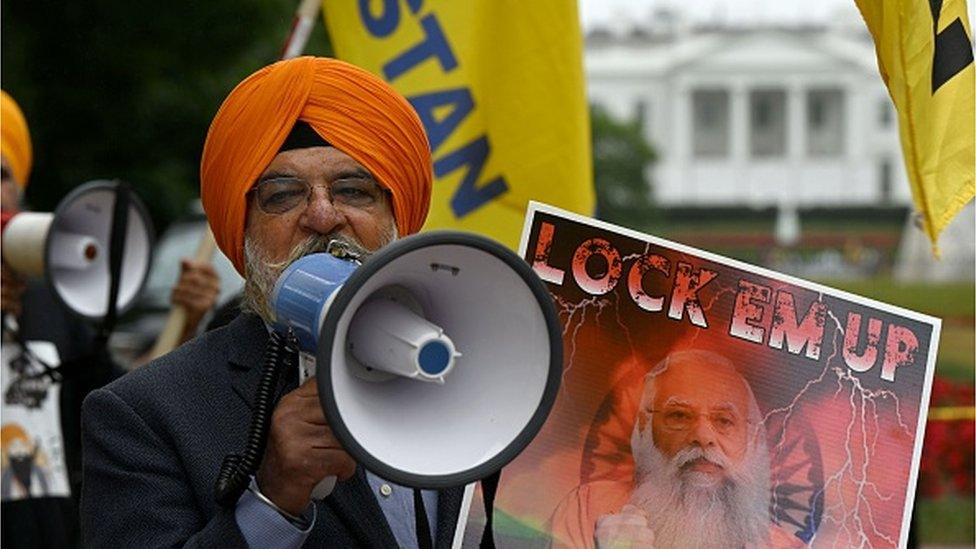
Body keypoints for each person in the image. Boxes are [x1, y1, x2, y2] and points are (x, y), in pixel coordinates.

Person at [81, 57, 463, 548]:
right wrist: (272, 504)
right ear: (241, 231)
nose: (323, 216)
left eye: (353, 190)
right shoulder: (143, 416)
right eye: (283, 195)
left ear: (396, 215)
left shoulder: (481, 367)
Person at [550, 350, 802, 548]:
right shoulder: (588, 508)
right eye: (679, 416)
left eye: (724, 420)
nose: (703, 437)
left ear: (750, 439)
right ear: (645, 429)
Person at [1, 89, 102, 549]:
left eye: (1, 173)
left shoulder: (49, 299)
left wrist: (191, 317)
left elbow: (111, 401)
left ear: (18, 188)